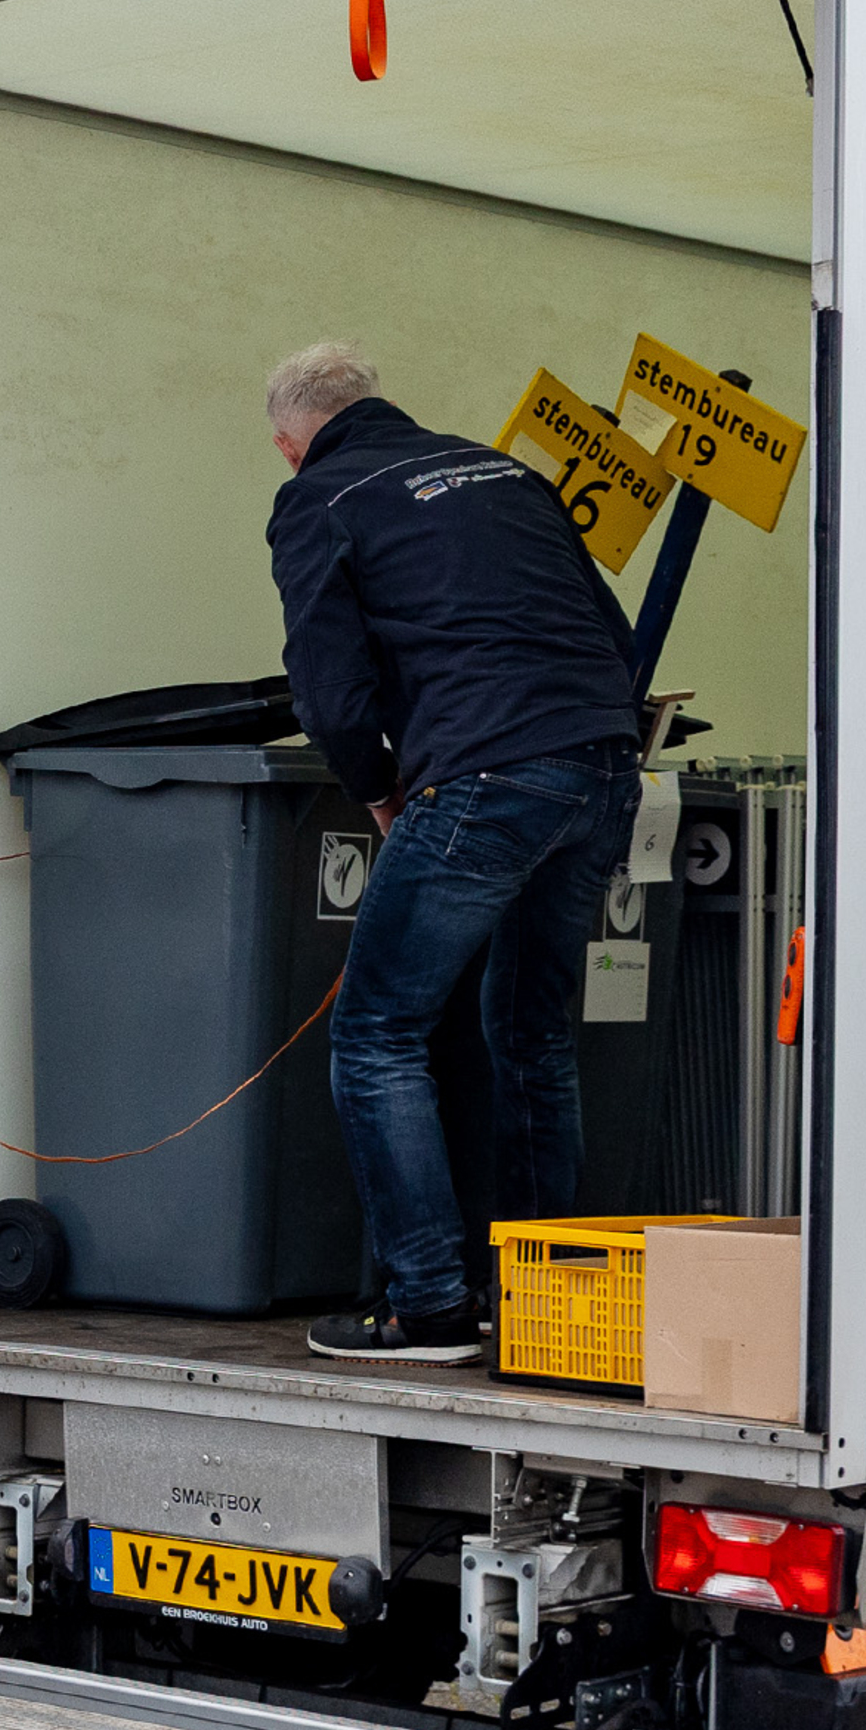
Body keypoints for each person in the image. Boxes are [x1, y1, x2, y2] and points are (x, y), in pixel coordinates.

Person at [263, 341, 649, 1365]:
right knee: (531, 1033)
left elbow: (330, 688)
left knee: (377, 1033)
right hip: (605, 765)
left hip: (486, 775)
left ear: (288, 444)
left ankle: (428, 1304)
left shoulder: (319, 498)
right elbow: (616, 642)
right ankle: (546, 1306)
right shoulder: (506, 474)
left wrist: (382, 788)